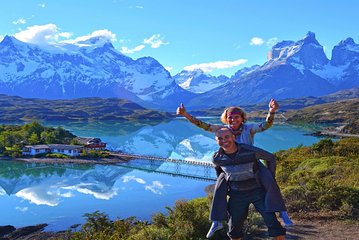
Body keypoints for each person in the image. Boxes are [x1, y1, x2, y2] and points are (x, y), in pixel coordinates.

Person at [176, 100, 293, 238]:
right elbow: (202, 125)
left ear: (242, 117)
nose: (233, 119)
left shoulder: (249, 128)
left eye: (236, 116)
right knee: (220, 186)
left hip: (250, 162)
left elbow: (265, 125)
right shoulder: (223, 130)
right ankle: (217, 220)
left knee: (268, 180)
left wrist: (272, 111)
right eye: (230, 117)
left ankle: (282, 212)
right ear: (226, 119)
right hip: (231, 167)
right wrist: (185, 115)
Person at [213, 127, 286, 240]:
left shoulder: (250, 151)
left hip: (257, 192)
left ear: (233, 137)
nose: (224, 140)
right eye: (220, 138)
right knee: (234, 228)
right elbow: (220, 172)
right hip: (236, 195)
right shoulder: (217, 158)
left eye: (227, 137)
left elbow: (270, 158)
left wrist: (270, 177)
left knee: (273, 223)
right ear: (216, 140)